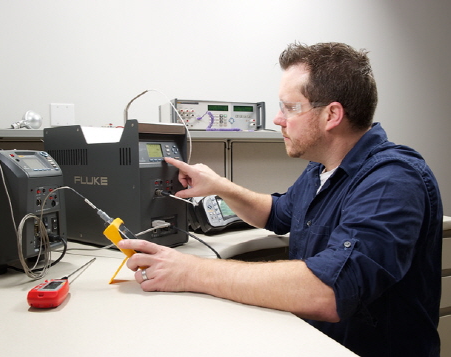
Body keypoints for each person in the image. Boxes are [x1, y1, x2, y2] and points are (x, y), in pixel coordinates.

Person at [118, 42, 443, 357]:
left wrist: (192, 271)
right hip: (315, 340)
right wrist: (218, 185)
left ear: (331, 115)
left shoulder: (393, 179)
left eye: (290, 107)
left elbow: (329, 290)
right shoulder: (322, 168)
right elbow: (278, 213)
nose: (277, 119)